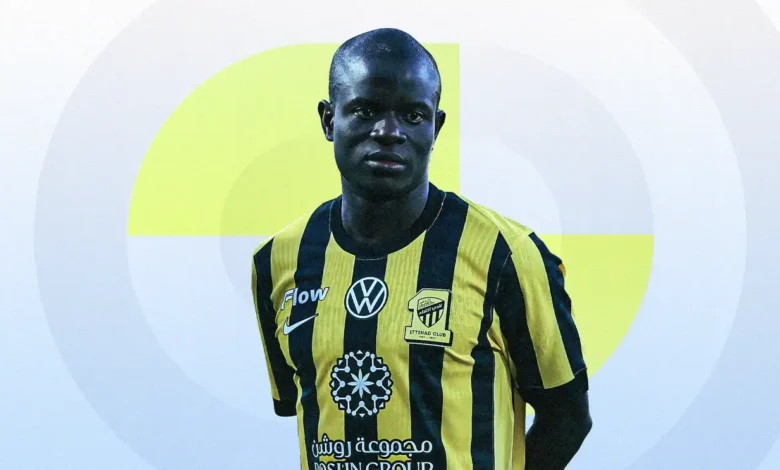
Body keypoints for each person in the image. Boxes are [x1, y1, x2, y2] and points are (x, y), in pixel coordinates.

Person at [252, 28, 592, 470]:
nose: (388, 131)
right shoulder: (279, 260)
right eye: (365, 110)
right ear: (329, 120)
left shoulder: (506, 253)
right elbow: (301, 404)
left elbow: (567, 418)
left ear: (436, 127)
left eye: (413, 115)